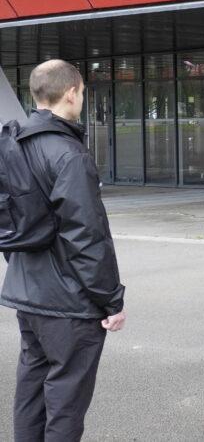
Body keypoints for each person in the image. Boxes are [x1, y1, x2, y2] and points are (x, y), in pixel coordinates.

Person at [1, 60, 125, 442]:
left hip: (28, 293)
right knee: (66, 399)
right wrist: (111, 300)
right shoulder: (68, 154)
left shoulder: (12, 142)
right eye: (84, 93)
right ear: (71, 92)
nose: (82, 100)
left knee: (32, 388)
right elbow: (87, 236)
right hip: (70, 303)